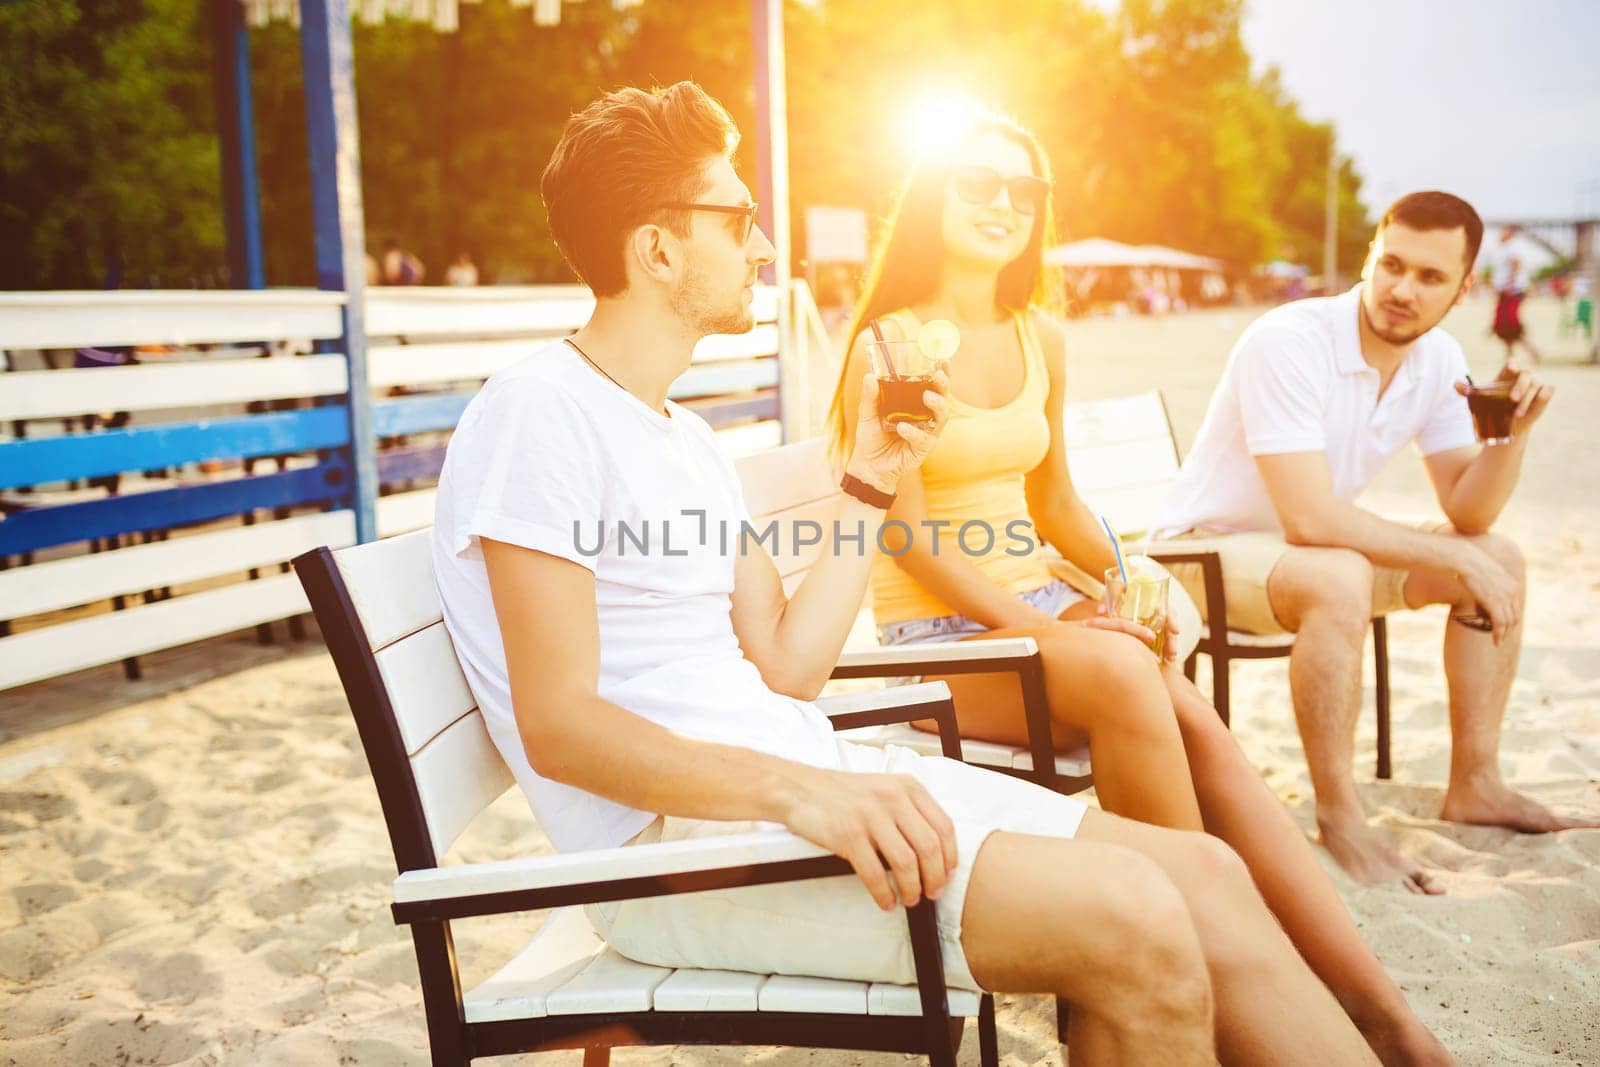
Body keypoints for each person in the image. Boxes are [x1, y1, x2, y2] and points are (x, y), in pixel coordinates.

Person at [430, 81, 1384, 1064]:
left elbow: (791, 665)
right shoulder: (538, 412)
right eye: (740, 219)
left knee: (1204, 874)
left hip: (798, 786)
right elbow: (559, 724)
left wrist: (871, 483)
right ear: (658, 248)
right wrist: (802, 793)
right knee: (1137, 918)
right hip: (678, 854)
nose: (765, 247)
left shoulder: (684, 438)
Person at [827, 112, 1447, 1066]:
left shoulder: (1042, 334)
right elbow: (905, 536)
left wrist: (1129, 574)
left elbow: (1059, 499)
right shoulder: (893, 342)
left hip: (1037, 614)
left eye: (1023, 191)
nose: (1004, 205)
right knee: (1124, 676)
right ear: (931, 199)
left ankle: (1374, 1009)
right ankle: (1221, 981)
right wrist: (1055, 630)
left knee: (1179, 699)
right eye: (978, 185)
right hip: (940, 640)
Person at [1154, 191, 1599, 894]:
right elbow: (1307, 516)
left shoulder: (1439, 357)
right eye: (1391, 265)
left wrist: (1509, 435)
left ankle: (1476, 783)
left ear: (1464, 286)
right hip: (1200, 553)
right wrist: (1451, 554)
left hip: (1308, 558)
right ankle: (1342, 817)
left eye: (1429, 277)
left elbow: (1468, 509)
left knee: (1498, 556)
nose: (1401, 290)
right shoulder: (1290, 340)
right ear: (1369, 257)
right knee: (1342, 574)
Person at [1487, 225, 1543, 364]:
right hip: (1507, 291)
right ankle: (1511, 356)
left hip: (1511, 292)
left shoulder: (1513, 247)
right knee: (1505, 325)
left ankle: (1530, 351)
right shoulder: (1507, 248)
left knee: (1510, 324)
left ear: (1510, 233)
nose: (1499, 234)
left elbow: (1516, 264)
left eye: (1503, 231)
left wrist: (1509, 285)